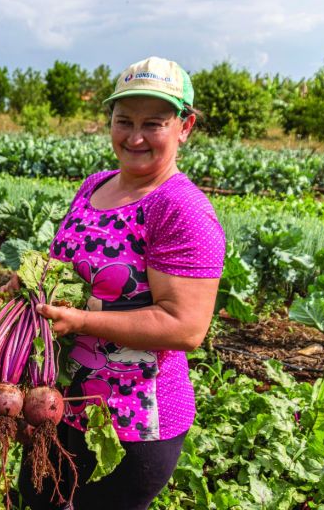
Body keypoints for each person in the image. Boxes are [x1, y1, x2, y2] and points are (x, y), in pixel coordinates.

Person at [16, 56, 226, 509]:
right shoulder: (95, 184)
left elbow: (185, 327)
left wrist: (82, 320)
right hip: (59, 401)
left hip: (132, 422)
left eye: (153, 123)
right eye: (123, 120)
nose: (134, 137)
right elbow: (64, 271)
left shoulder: (181, 210)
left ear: (184, 126)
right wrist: (29, 292)